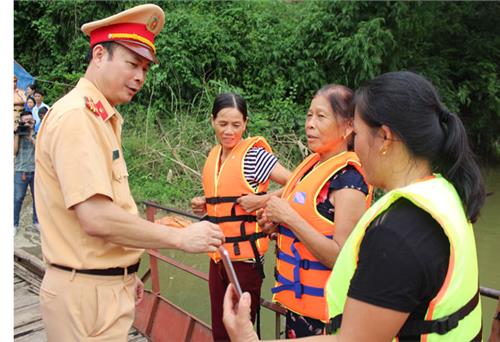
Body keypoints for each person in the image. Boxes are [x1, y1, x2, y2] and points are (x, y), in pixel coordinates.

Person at [223, 71, 486, 341]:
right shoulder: (442, 194)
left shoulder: (396, 233)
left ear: (384, 138)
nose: (355, 147)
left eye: (357, 133)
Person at [35, 4, 224, 341]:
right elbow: (96, 217)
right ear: (98, 55)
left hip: (102, 285)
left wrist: (123, 270)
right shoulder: (78, 117)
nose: (140, 76)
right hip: (85, 294)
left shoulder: (101, 118)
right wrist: (179, 238)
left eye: (145, 68)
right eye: (132, 64)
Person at [254, 84, 372, 338]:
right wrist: (276, 226)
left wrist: (288, 217)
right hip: (298, 308)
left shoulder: (349, 180)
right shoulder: (312, 166)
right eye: (309, 115)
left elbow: (341, 257)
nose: (310, 124)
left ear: (349, 126)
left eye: (321, 116)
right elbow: (308, 224)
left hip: (325, 318)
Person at [191, 92, 291, 341]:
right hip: (218, 258)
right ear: (212, 121)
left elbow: (297, 183)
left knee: (239, 333)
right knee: (220, 331)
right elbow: (224, 198)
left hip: (245, 262)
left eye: (236, 124)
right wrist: (206, 204)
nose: (229, 131)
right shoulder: (215, 156)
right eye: (223, 124)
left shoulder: (254, 156)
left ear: (245, 123)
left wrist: (263, 199)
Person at [14, 110, 38, 234]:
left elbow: (42, 148)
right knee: (18, 198)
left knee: (37, 198)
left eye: (30, 120)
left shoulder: (38, 133)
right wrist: (18, 134)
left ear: (33, 120)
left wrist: (30, 137)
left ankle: (36, 222)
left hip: (36, 171)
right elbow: (14, 151)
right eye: (25, 121)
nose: (28, 123)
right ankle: (14, 224)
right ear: (21, 122)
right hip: (21, 170)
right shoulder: (17, 134)